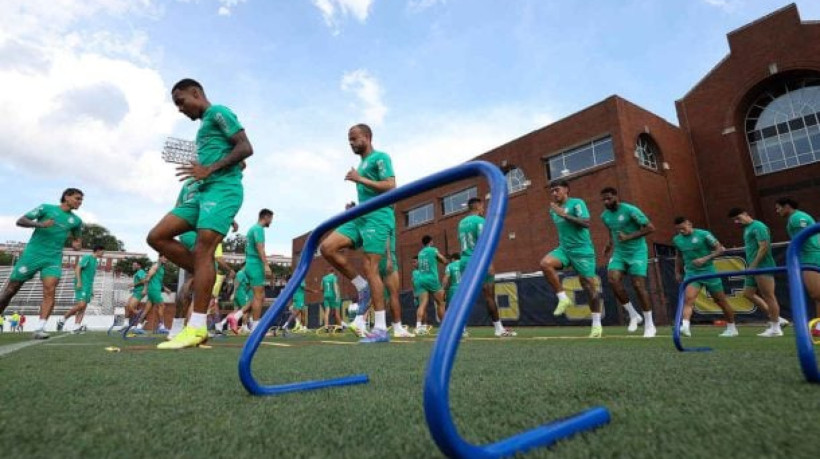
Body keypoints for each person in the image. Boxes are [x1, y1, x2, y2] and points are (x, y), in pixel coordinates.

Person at [147, 78, 253, 350]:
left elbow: (245, 147)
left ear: (196, 93)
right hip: (202, 191)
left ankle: (196, 327)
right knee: (157, 236)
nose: (180, 109)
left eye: (181, 102)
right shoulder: (204, 127)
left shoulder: (219, 112)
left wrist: (210, 168)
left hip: (222, 189)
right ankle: (202, 270)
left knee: (205, 251)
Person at [320, 124, 396, 343]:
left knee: (371, 267)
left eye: (355, 139)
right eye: (349, 140)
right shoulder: (362, 164)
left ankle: (381, 328)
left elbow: (391, 185)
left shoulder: (380, 157)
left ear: (367, 137)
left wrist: (360, 179)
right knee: (327, 247)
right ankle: (362, 287)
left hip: (377, 216)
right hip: (360, 216)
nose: (351, 144)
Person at [0, 188, 84, 339]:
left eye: (81, 200)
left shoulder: (76, 221)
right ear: (67, 197)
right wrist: (41, 225)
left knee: (50, 289)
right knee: (11, 290)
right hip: (32, 255)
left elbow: (77, 240)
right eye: (77, 198)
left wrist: (76, 245)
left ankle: (40, 328)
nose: (80, 202)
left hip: (53, 258)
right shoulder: (46, 208)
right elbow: (20, 221)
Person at [539, 180, 602, 338]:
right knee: (545, 264)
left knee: (589, 287)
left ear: (566, 190)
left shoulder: (577, 203)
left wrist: (564, 214)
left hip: (582, 251)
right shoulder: (552, 210)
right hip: (564, 249)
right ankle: (562, 298)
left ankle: (596, 324)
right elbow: (563, 230)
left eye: (557, 190)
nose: (554, 193)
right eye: (552, 191)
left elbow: (586, 223)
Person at [600, 187, 657, 338]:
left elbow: (650, 228)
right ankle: (633, 315)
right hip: (619, 253)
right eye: (604, 200)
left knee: (638, 285)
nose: (606, 202)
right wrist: (609, 244)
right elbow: (611, 232)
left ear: (616, 196)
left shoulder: (631, 210)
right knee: (613, 280)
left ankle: (650, 324)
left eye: (609, 198)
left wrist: (629, 237)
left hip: (637, 252)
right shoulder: (604, 216)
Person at [458, 198, 516, 337]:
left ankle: (461, 329)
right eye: (482, 206)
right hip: (479, 261)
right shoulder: (480, 221)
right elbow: (485, 243)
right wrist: (489, 263)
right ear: (477, 206)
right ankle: (498, 329)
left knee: (464, 297)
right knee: (489, 296)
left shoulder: (461, 223)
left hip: (465, 261)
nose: (483, 209)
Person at [673, 216, 737, 337]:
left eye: (683, 228)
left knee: (721, 301)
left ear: (689, 223)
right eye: (678, 230)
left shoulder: (704, 234)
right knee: (688, 299)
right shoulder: (677, 240)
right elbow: (679, 256)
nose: (681, 231)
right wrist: (677, 272)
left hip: (709, 272)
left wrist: (704, 259)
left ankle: (732, 327)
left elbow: (720, 249)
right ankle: (685, 326)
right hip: (692, 274)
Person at [728, 208, 788, 337]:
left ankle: (776, 328)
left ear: (745, 213)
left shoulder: (759, 226)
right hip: (753, 267)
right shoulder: (747, 229)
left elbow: (764, 246)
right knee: (748, 293)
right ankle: (777, 318)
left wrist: (754, 265)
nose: (737, 222)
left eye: (738, 218)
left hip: (762, 266)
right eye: (734, 220)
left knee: (769, 296)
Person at [226, 209, 273, 333]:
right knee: (258, 297)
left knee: (260, 296)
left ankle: (236, 316)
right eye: (271, 219)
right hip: (255, 265)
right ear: (266, 217)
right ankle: (256, 328)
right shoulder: (258, 229)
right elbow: (260, 248)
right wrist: (266, 265)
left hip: (250, 264)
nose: (271, 222)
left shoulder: (252, 229)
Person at [775, 197, 820, 316]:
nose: (777, 211)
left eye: (778, 208)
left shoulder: (797, 218)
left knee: (817, 294)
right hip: (810, 256)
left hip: (811, 257)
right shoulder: (795, 218)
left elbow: (803, 237)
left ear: (787, 206)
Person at [58, 245, 104, 333]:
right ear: (98, 250)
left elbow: (91, 277)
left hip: (88, 286)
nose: (103, 254)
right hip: (82, 284)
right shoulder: (87, 257)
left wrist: (92, 289)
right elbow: (77, 268)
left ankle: (76, 327)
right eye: (102, 251)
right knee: (81, 305)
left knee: (83, 308)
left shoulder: (95, 261)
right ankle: (62, 320)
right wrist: (79, 281)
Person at [414, 235, 447, 335]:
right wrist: (445, 261)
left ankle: (418, 325)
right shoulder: (433, 250)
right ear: (431, 242)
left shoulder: (420, 253)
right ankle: (444, 327)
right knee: (440, 303)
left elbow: (419, 265)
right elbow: (442, 259)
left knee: (422, 304)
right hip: (432, 279)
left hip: (421, 279)